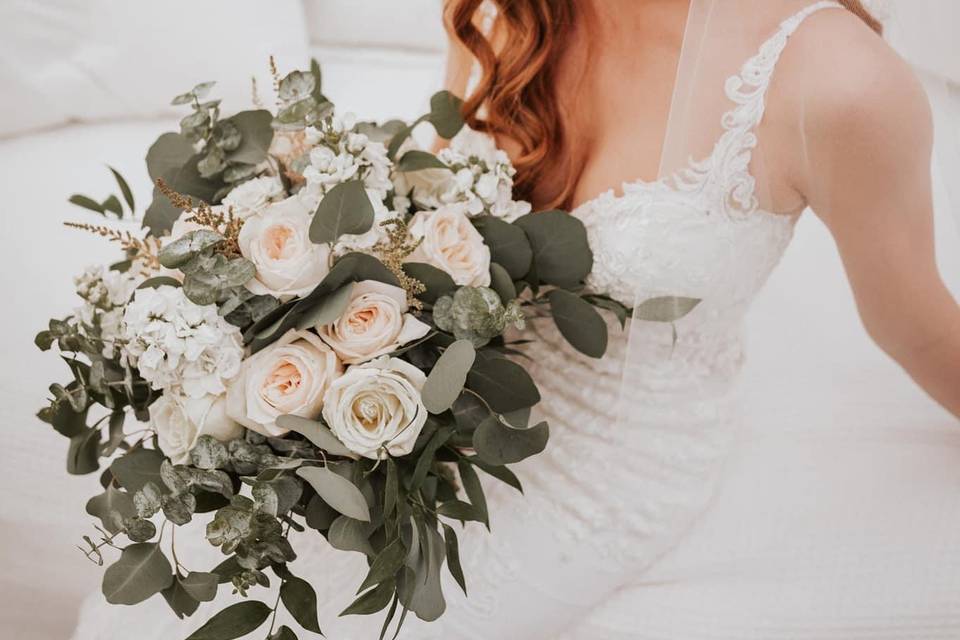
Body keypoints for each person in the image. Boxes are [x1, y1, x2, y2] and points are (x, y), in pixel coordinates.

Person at [72, 1, 960, 638]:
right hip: (431, 411)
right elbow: (437, 217)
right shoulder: (511, 12)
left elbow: (915, 326)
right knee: (160, 589)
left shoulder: (841, 84)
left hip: (612, 462)